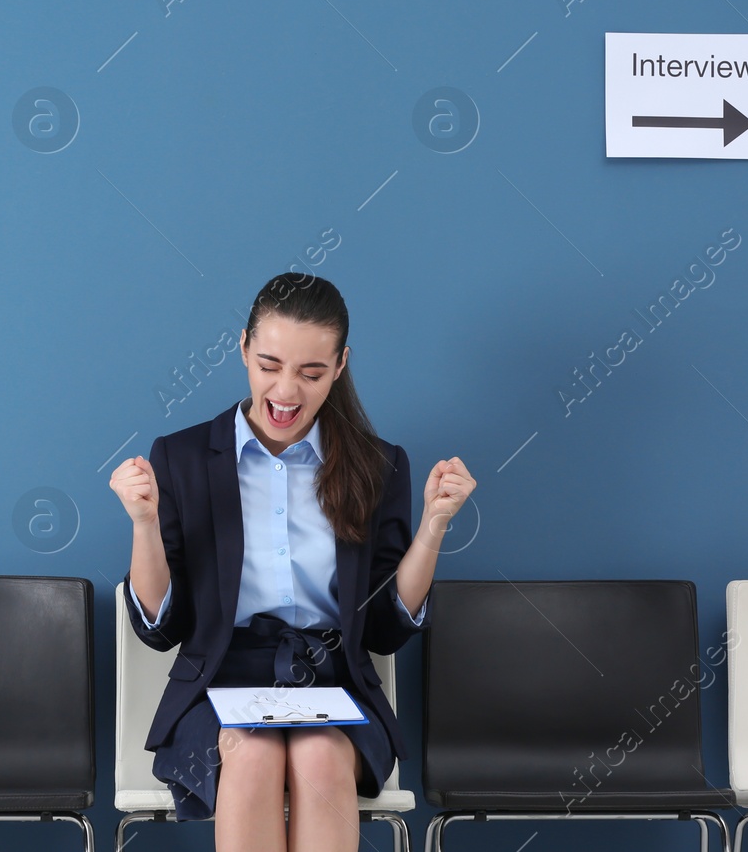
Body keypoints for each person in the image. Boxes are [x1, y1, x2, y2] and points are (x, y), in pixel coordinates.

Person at [111, 271, 477, 852]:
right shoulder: (180, 458)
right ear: (243, 350)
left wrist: (433, 527)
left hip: (335, 683)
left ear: (340, 365)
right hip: (216, 687)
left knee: (320, 753)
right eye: (269, 365)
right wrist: (144, 525)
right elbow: (160, 629)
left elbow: (383, 630)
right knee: (251, 752)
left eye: (311, 373)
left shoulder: (379, 465)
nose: (286, 391)